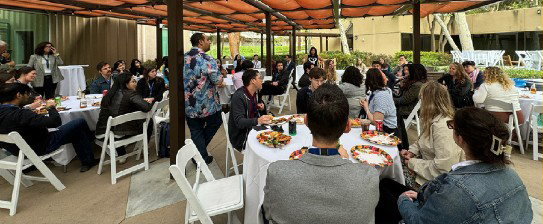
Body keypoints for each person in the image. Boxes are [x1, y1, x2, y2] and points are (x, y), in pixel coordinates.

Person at [263, 83, 379, 224]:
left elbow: (268, 213)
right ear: (348, 126)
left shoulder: (277, 172)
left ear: (305, 121)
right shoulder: (369, 176)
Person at [394, 107, 533, 224]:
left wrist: (403, 200)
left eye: (452, 125)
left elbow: (418, 221)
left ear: (459, 138)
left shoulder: (458, 188)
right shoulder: (512, 176)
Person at [0, 83, 97, 172]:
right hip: (41, 145)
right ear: (18, 95)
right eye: (26, 94)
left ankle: (88, 161)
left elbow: (16, 118)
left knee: (76, 130)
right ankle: (92, 140)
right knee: (79, 122)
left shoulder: (8, 112)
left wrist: (28, 108)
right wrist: (51, 107)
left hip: (17, 150)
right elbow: (55, 122)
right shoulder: (21, 114)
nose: (27, 96)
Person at [398, 81, 464, 191]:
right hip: (426, 169)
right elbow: (422, 141)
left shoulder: (444, 127)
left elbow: (444, 169)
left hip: (435, 183)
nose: (420, 102)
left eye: (421, 99)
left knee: (391, 176)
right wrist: (412, 152)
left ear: (428, 102)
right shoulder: (432, 118)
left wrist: (412, 163)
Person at [183, 33, 223, 164]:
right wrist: (221, 80)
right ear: (200, 42)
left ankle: (199, 155)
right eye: (207, 40)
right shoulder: (207, 59)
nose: (210, 42)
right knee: (216, 121)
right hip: (207, 104)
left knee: (195, 130)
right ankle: (200, 154)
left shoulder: (183, 57)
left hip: (189, 103)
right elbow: (217, 80)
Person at [95, 73, 152, 156]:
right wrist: (147, 102)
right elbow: (146, 107)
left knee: (119, 123)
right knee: (148, 121)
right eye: (133, 81)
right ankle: (144, 147)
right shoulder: (129, 94)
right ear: (126, 84)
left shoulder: (108, 95)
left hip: (102, 132)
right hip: (118, 134)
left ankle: (122, 154)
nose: (135, 84)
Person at [228, 70, 272, 151]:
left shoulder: (253, 93)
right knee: (270, 144)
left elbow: (252, 112)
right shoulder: (239, 96)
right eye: (260, 78)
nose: (262, 80)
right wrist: (258, 120)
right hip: (241, 137)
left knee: (275, 132)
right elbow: (239, 122)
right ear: (253, 81)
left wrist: (259, 108)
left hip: (252, 130)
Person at [360, 68, 398, 134]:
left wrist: (366, 108)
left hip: (386, 131)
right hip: (380, 128)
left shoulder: (381, 95)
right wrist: (365, 101)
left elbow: (376, 122)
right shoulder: (381, 90)